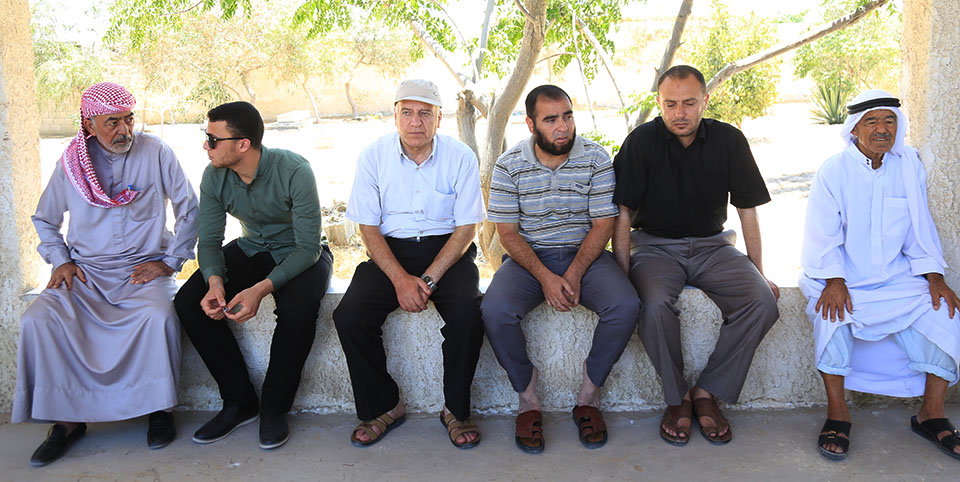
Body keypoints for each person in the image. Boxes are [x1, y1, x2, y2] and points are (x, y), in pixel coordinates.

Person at [13, 82, 199, 466]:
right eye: (112, 122)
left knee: (158, 317)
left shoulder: (156, 151)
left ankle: (159, 410)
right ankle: (67, 423)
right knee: (38, 320)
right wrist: (61, 261)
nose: (124, 130)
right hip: (87, 275)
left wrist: (170, 261)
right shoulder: (72, 163)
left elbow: (189, 209)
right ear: (90, 124)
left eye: (129, 119)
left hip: (142, 272)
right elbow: (45, 219)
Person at [612, 65, 780, 446]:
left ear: (705, 100)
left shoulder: (729, 140)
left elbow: (747, 210)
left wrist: (759, 272)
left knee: (762, 301)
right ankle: (678, 398)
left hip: (714, 246)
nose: (680, 113)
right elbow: (621, 213)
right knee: (653, 306)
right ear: (659, 103)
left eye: (689, 103)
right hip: (654, 247)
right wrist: (623, 274)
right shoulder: (641, 142)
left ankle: (707, 391)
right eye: (670, 104)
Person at [800, 89, 960, 461]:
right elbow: (822, 232)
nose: (882, 129)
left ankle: (931, 414)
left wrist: (934, 277)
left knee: (946, 313)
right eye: (871, 121)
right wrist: (834, 280)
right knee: (832, 315)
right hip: (843, 275)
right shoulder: (834, 170)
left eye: (889, 121)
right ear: (854, 128)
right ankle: (838, 414)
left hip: (895, 278)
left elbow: (919, 228)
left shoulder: (908, 166)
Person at [481, 85, 639, 453]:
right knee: (494, 310)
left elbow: (603, 225)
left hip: (586, 254)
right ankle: (527, 398)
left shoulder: (595, 158)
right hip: (529, 258)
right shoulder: (509, 165)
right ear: (531, 124)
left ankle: (589, 394)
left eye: (567, 116)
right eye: (551, 119)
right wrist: (546, 278)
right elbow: (507, 234)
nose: (563, 126)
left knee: (626, 305)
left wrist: (573, 274)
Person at [333, 79, 485, 449]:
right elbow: (368, 228)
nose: (415, 121)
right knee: (350, 315)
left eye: (425, 113)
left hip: (447, 252)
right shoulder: (373, 156)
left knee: (468, 315)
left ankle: (455, 410)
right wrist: (401, 280)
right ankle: (384, 405)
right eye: (407, 112)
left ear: (439, 118)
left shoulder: (460, 156)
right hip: (390, 252)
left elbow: (467, 227)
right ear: (395, 115)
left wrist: (429, 279)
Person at [174, 101, 333, 450]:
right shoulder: (214, 175)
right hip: (251, 247)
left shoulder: (294, 170)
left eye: (213, 139)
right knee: (189, 301)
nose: (205, 145)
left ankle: (274, 408)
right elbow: (210, 241)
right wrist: (215, 281)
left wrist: (259, 290)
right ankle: (239, 401)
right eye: (206, 136)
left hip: (302, 252)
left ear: (243, 144)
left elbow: (308, 247)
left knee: (298, 308)